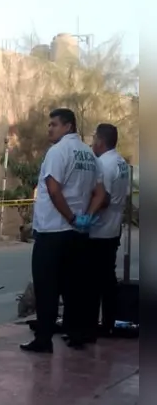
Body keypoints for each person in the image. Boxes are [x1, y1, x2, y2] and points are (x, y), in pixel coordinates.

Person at [21, 108, 98, 353]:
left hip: (54, 231)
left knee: (47, 287)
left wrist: (72, 217)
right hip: (77, 235)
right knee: (73, 287)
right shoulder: (88, 153)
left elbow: (54, 190)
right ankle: (75, 334)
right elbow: (100, 192)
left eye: (54, 124)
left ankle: (43, 340)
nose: (49, 129)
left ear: (68, 126)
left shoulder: (58, 152)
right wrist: (87, 218)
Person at [85, 123, 130, 339]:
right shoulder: (121, 162)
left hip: (99, 231)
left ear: (101, 141)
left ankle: (92, 326)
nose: (92, 142)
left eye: (94, 138)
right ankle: (108, 323)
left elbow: (104, 198)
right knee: (107, 280)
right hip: (113, 229)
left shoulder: (103, 164)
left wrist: (86, 211)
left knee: (93, 282)